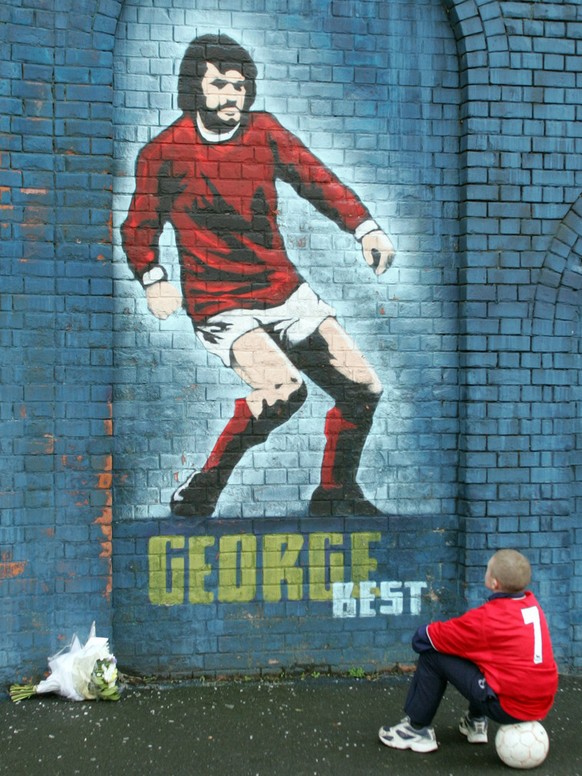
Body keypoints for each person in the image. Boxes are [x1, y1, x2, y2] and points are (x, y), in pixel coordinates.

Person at [121, 33, 396, 518]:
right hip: (219, 301)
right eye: (221, 85)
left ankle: (334, 493)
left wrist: (364, 227)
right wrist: (152, 277)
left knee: (364, 389)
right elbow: (139, 225)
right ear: (195, 90)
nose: (234, 96)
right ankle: (207, 482)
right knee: (284, 391)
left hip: (283, 289)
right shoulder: (163, 152)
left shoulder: (264, 132)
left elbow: (318, 180)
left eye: (241, 86)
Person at [378, 549, 559, 754]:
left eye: (487, 570)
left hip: (508, 706)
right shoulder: (532, 606)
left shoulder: (489, 618)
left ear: (494, 583)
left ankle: (416, 729)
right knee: (480, 655)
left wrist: (420, 635)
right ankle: (476, 721)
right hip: (540, 704)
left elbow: (429, 638)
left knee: (433, 655)